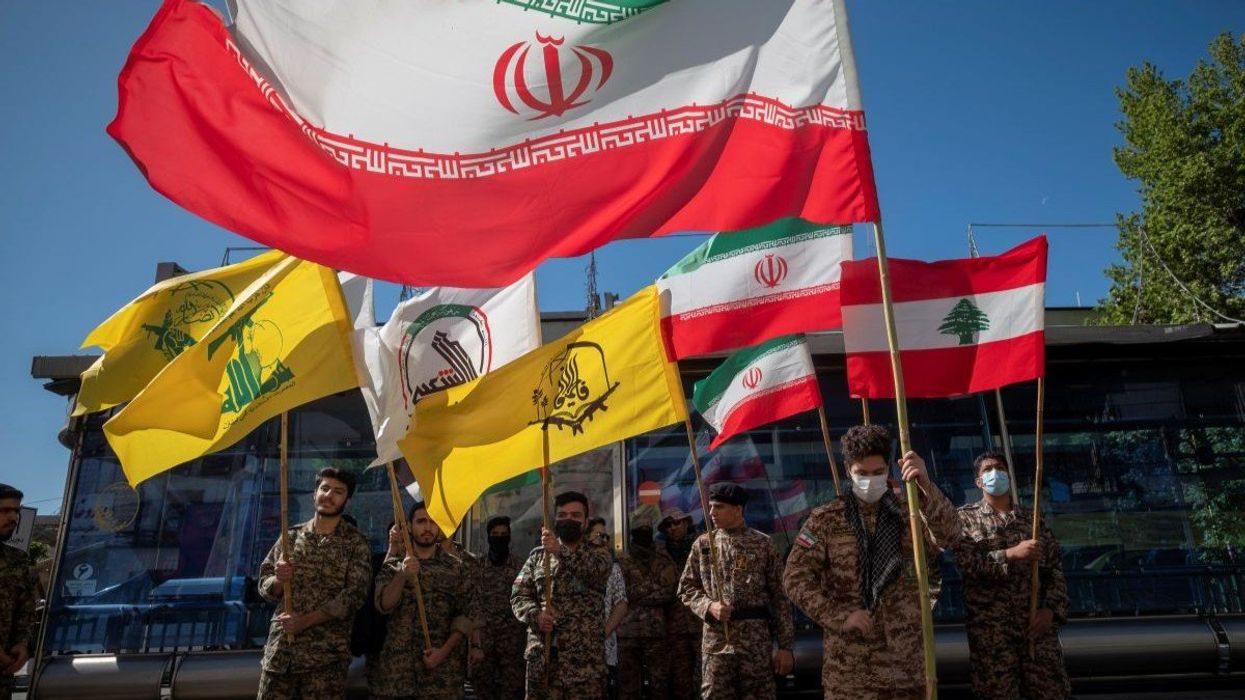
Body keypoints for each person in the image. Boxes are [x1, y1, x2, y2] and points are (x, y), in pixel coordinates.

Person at [782, 425, 960, 700]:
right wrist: (840, 617)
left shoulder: (910, 511)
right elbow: (794, 578)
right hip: (852, 673)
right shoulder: (827, 520)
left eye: (877, 473)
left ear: (889, 468)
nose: (870, 480)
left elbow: (950, 536)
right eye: (861, 473)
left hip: (909, 668)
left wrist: (925, 484)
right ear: (847, 470)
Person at [954, 452, 1070, 699]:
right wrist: (1010, 554)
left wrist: (1050, 611)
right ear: (978, 482)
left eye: (999, 468)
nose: (995, 473)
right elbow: (968, 565)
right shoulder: (965, 518)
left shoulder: (1032, 519)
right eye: (987, 470)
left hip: (1036, 632)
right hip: (993, 636)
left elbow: (1055, 570)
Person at [256, 467, 372, 699]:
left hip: (324, 661)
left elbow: (353, 597)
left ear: (347, 500)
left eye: (338, 491)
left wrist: (304, 622)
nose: (329, 495)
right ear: (314, 492)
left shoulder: (356, 544)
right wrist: (279, 579)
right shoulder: (290, 537)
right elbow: (264, 586)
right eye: (325, 488)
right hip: (281, 656)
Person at [677, 483, 794, 700]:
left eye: (719, 507)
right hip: (717, 642)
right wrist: (708, 606)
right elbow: (685, 588)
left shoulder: (763, 544)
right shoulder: (703, 544)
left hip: (755, 643)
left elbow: (781, 598)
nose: (711, 512)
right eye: (710, 506)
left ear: (738, 509)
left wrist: (785, 646)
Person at [511, 490, 612, 699]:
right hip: (544, 662)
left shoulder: (599, 553)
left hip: (585, 668)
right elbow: (519, 595)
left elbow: (593, 572)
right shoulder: (538, 557)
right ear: (554, 519)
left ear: (585, 521)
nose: (569, 520)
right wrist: (535, 615)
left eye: (575, 516)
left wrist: (560, 552)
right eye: (563, 515)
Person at [372, 501, 476, 700]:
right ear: (409, 526)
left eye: (433, 522)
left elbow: (465, 616)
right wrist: (403, 574)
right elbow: (384, 604)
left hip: (442, 673)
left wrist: (442, 653)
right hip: (399, 671)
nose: (428, 528)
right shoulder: (392, 565)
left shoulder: (457, 568)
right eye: (421, 521)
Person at [616, 520, 678, 700]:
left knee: (660, 685)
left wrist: (637, 595)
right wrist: (652, 590)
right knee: (628, 687)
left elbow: (669, 592)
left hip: (656, 632)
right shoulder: (621, 560)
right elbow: (620, 594)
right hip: (628, 633)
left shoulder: (663, 559)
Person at [472, 516, 527, 700]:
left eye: (503, 534)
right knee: (483, 690)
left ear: (509, 537)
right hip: (484, 643)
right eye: (495, 534)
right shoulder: (477, 567)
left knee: (512, 691)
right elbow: (472, 604)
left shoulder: (520, 567)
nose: (499, 537)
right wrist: (475, 643)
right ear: (488, 537)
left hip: (512, 644)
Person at [658, 508, 700, 700]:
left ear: (686, 523)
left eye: (676, 523)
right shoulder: (660, 553)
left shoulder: (702, 547)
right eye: (667, 525)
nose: (672, 528)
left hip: (702, 622)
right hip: (674, 625)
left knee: (706, 675)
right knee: (680, 679)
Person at [0, 485, 36, 700]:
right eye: (5, 511)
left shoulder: (17, 559)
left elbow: (25, 609)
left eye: (16, 511)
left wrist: (22, 645)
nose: (13, 517)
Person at [588, 517, 628, 699]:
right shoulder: (570, 565)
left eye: (606, 537)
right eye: (598, 535)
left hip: (605, 650)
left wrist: (602, 635)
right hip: (575, 653)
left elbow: (621, 604)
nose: (603, 541)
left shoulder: (613, 568)